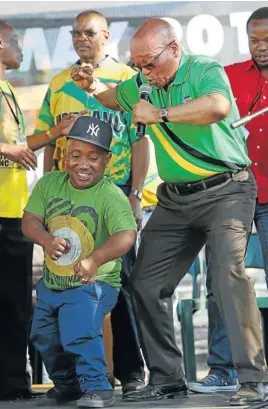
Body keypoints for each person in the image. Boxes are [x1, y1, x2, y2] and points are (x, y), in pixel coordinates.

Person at [71, 17, 268, 405]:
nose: (145, 73)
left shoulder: (203, 70)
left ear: (174, 49)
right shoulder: (142, 81)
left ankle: (252, 379)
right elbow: (116, 97)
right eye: (138, 65)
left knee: (229, 278)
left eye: (150, 64)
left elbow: (217, 105)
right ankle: (167, 376)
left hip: (226, 190)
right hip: (175, 200)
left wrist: (159, 115)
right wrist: (92, 86)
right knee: (145, 284)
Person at [34, 10, 148, 395]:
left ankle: (131, 372)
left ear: (106, 35)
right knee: (69, 286)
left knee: (119, 285)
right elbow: (49, 144)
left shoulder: (127, 80)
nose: (82, 39)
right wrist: (49, 199)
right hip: (67, 200)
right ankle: (80, 378)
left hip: (114, 193)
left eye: (90, 32)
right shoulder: (59, 82)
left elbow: (140, 140)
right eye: (76, 34)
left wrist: (134, 192)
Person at [22, 116, 137, 408]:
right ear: (63, 156)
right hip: (53, 282)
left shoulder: (111, 195)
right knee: (42, 335)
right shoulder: (49, 184)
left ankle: (97, 386)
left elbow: (126, 235)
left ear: (107, 161)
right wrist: (46, 240)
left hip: (93, 282)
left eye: (93, 158)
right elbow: (30, 221)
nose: (83, 164)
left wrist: (95, 259)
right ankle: (69, 384)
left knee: (78, 331)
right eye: (75, 155)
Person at [189, 7, 268, 395]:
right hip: (229, 193)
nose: (261, 47)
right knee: (223, 280)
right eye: (255, 40)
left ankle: (259, 373)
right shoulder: (227, 76)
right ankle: (223, 371)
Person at [0, 21, 79, 401]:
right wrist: (7, 150)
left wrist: (53, 133)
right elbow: (9, 148)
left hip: (13, 211)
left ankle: (13, 382)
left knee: (16, 303)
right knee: (13, 304)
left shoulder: (6, 87)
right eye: (15, 40)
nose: (20, 47)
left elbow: (18, 144)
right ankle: (12, 384)